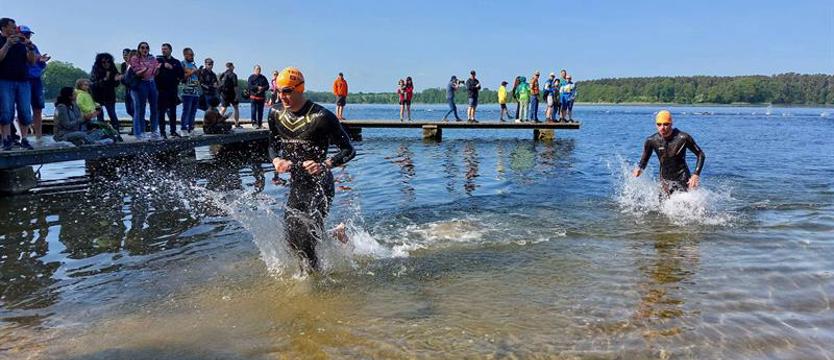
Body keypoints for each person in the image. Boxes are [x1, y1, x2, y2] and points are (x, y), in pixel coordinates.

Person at [267, 66, 355, 272]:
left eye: (287, 90)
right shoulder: (275, 114)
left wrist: (324, 164)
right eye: (279, 91)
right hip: (298, 184)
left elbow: (349, 150)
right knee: (291, 239)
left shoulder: (322, 116)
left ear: (300, 89)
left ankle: (314, 286)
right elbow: (271, 145)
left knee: (307, 242)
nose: (282, 96)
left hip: (320, 185)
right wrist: (276, 160)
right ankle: (336, 234)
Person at [633, 110, 706, 196]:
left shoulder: (683, 138)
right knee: (662, 206)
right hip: (665, 180)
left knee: (685, 205)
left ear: (671, 123)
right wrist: (639, 169)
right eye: (659, 124)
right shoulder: (651, 140)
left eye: (666, 124)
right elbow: (644, 160)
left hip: (682, 177)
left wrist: (695, 175)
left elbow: (700, 154)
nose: (662, 128)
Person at [0, 17, 36, 150]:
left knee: (25, 111)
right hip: (4, 81)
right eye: (12, 27)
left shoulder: (21, 42)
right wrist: (7, 44)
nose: (16, 29)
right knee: (6, 111)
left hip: (23, 81)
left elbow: (31, 62)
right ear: (4, 28)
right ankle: (6, 139)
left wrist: (30, 48)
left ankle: (24, 139)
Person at [19, 26, 48, 144]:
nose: (27, 36)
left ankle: (39, 136)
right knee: (23, 108)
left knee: (38, 107)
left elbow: (39, 60)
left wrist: (42, 60)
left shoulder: (33, 46)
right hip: (24, 79)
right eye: (25, 34)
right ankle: (23, 137)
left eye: (29, 34)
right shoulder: (16, 46)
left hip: (36, 79)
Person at [129, 41, 162, 140]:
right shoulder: (135, 58)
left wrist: (157, 69)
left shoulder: (152, 58)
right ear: (139, 49)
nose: (145, 50)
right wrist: (146, 68)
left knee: (154, 108)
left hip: (152, 83)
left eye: (147, 48)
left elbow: (155, 73)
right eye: (142, 48)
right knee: (141, 109)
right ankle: (141, 132)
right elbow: (138, 73)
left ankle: (154, 131)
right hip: (142, 83)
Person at [155, 43, 184, 138]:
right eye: (162, 49)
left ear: (170, 50)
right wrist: (163, 64)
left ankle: (173, 131)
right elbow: (153, 71)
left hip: (172, 90)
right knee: (161, 112)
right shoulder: (158, 60)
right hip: (161, 90)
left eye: (165, 49)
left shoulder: (176, 61)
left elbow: (181, 75)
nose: (163, 51)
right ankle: (162, 132)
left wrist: (172, 68)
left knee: (172, 112)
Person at [90, 53, 121, 134]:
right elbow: (93, 84)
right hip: (97, 96)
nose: (107, 64)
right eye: (104, 62)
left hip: (109, 95)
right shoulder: (96, 70)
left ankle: (116, 132)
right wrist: (105, 79)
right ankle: (102, 132)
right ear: (99, 62)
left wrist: (116, 80)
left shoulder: (113, 69)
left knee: (112, 114)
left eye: (108, 62)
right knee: (100, 116)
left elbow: (116, 84)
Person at [179, 47, 200, 136]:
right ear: (185, 55)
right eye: (190, 55)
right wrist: (192, 72)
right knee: (186, 110)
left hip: (195, 92)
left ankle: (191, 128)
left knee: (193, 111)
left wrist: (198, 72)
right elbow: (182, 78)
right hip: (186, 91)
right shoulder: (182, 64)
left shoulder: (194, 65)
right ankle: (183, 128)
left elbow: (197, 76)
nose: (192, 56)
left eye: (193, 55)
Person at [218, 62, 240, 128]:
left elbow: (219, 83)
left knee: (223, 108)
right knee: (236, 108)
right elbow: (235, 86)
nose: (234, 67)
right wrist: (237, 95)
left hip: (224, 94)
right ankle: (236, 123)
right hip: (232, 94)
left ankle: (216, 121)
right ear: (231, 67)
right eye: (233, 66)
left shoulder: (223, 74)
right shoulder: (233, 75)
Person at [119, 48, 134, 119]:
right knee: (128, 110)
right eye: (123, 55)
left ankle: (139, 124)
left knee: (134, 109)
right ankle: (142, 121)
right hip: (127, 89)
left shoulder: (134, 64)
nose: (125, 57)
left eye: (126, 55)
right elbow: (122, 78)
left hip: (134, 89)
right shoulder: (123, 65)